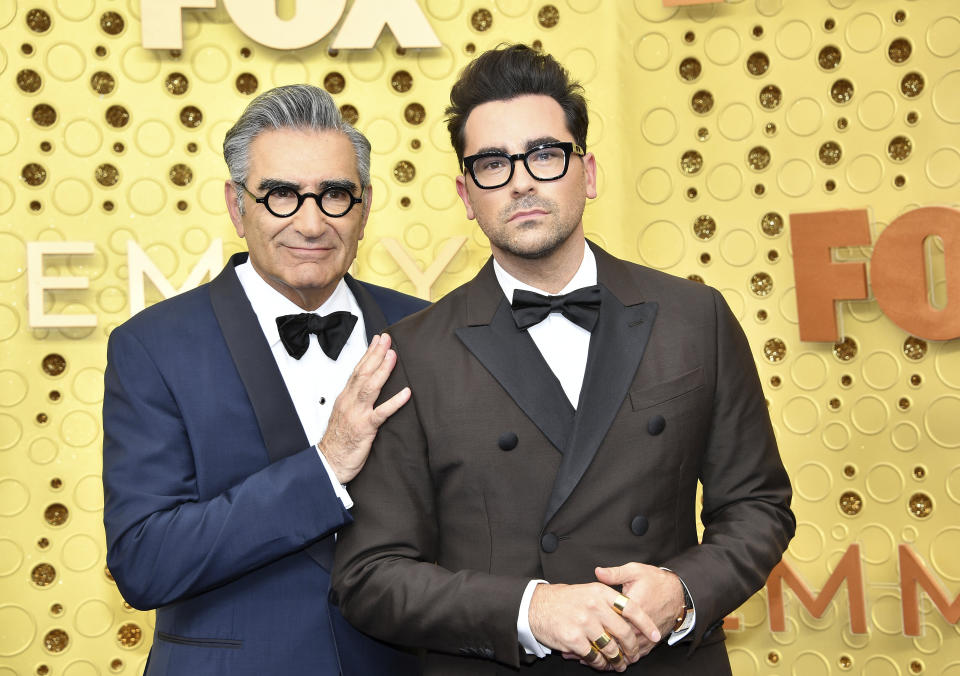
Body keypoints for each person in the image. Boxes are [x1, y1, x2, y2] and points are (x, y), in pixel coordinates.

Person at [332, 45, 795, 674]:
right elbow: (371, 577)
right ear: (466, 195)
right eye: (493, 164)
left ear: (589, 173)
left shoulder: (695, 318)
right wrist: (530, 610)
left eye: (545, 154)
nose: (521, 180)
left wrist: (682, 594)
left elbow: (758, 507)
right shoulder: (411, 352)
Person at [102, 84, 427, 676]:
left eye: (335, 195)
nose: (311, 222)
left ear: (365, 205)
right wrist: (325, 468)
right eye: (280, 195)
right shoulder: (152, 347)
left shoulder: (425, 329)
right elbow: (144, 561)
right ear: (235, 204)